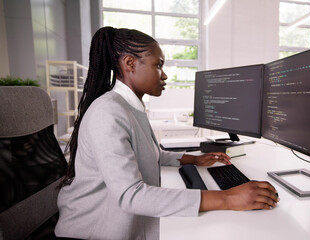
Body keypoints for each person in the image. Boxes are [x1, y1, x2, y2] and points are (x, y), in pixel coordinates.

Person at [55, 26, 279, 240]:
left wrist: (194, 159)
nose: (164, 76)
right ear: (130, 63)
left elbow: (152, 153)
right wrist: (227, 197)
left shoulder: (128, 107)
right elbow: (130, 195)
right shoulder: (107, 113)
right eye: (158, 65)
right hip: (92, 231)